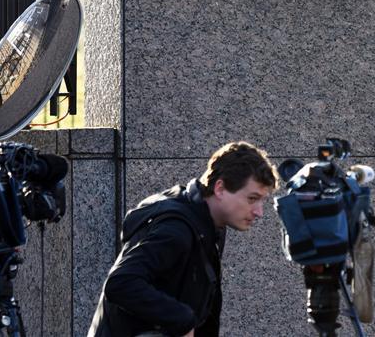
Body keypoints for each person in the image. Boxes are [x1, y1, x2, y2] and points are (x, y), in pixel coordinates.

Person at [89, 141, 278, 337]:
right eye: (252, 199)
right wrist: (181, 319)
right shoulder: (176, 228)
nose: (259, 212)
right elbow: (120, 283)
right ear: (220, 188)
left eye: (262, 201)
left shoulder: (208, 223)